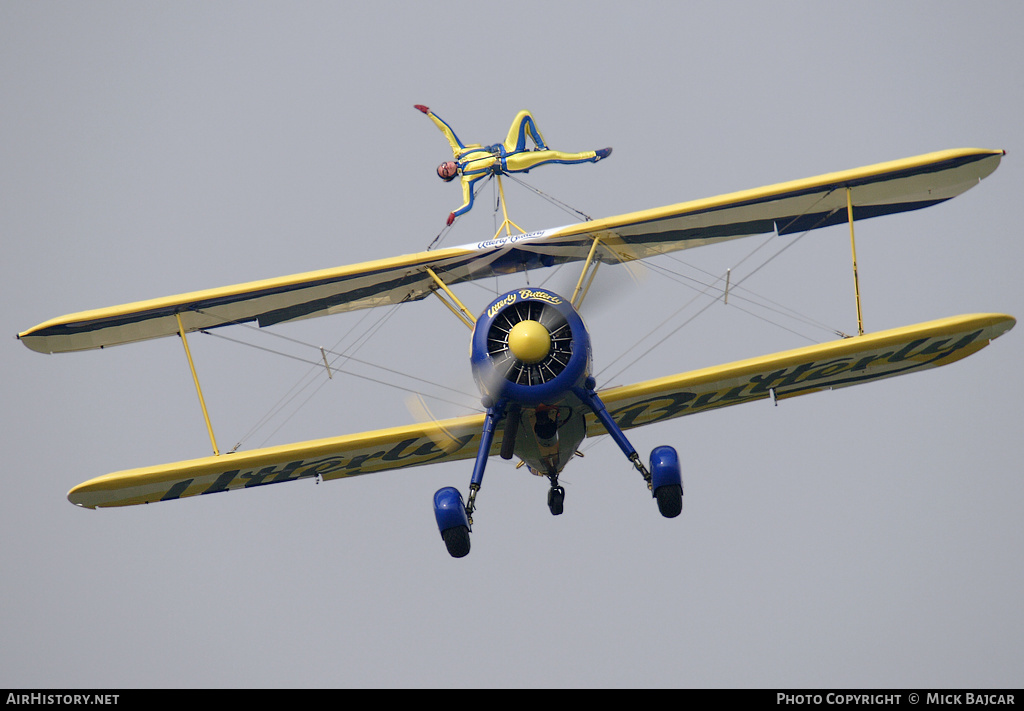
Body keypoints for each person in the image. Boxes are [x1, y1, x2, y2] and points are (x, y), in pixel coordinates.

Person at [415, 105, 611, 225]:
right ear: (450, 176)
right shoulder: (466, 180)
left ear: (447, 161)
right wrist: (453, 213)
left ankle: (541, 147)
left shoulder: (459, 151)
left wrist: (429, 113)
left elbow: (446, 130)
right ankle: (593, 155)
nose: (446, 167)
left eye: (444, 166)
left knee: (524, 115)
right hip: (509, 162)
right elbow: (468, 204)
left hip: (506, 147)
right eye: (445, 172)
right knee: (555, 156)